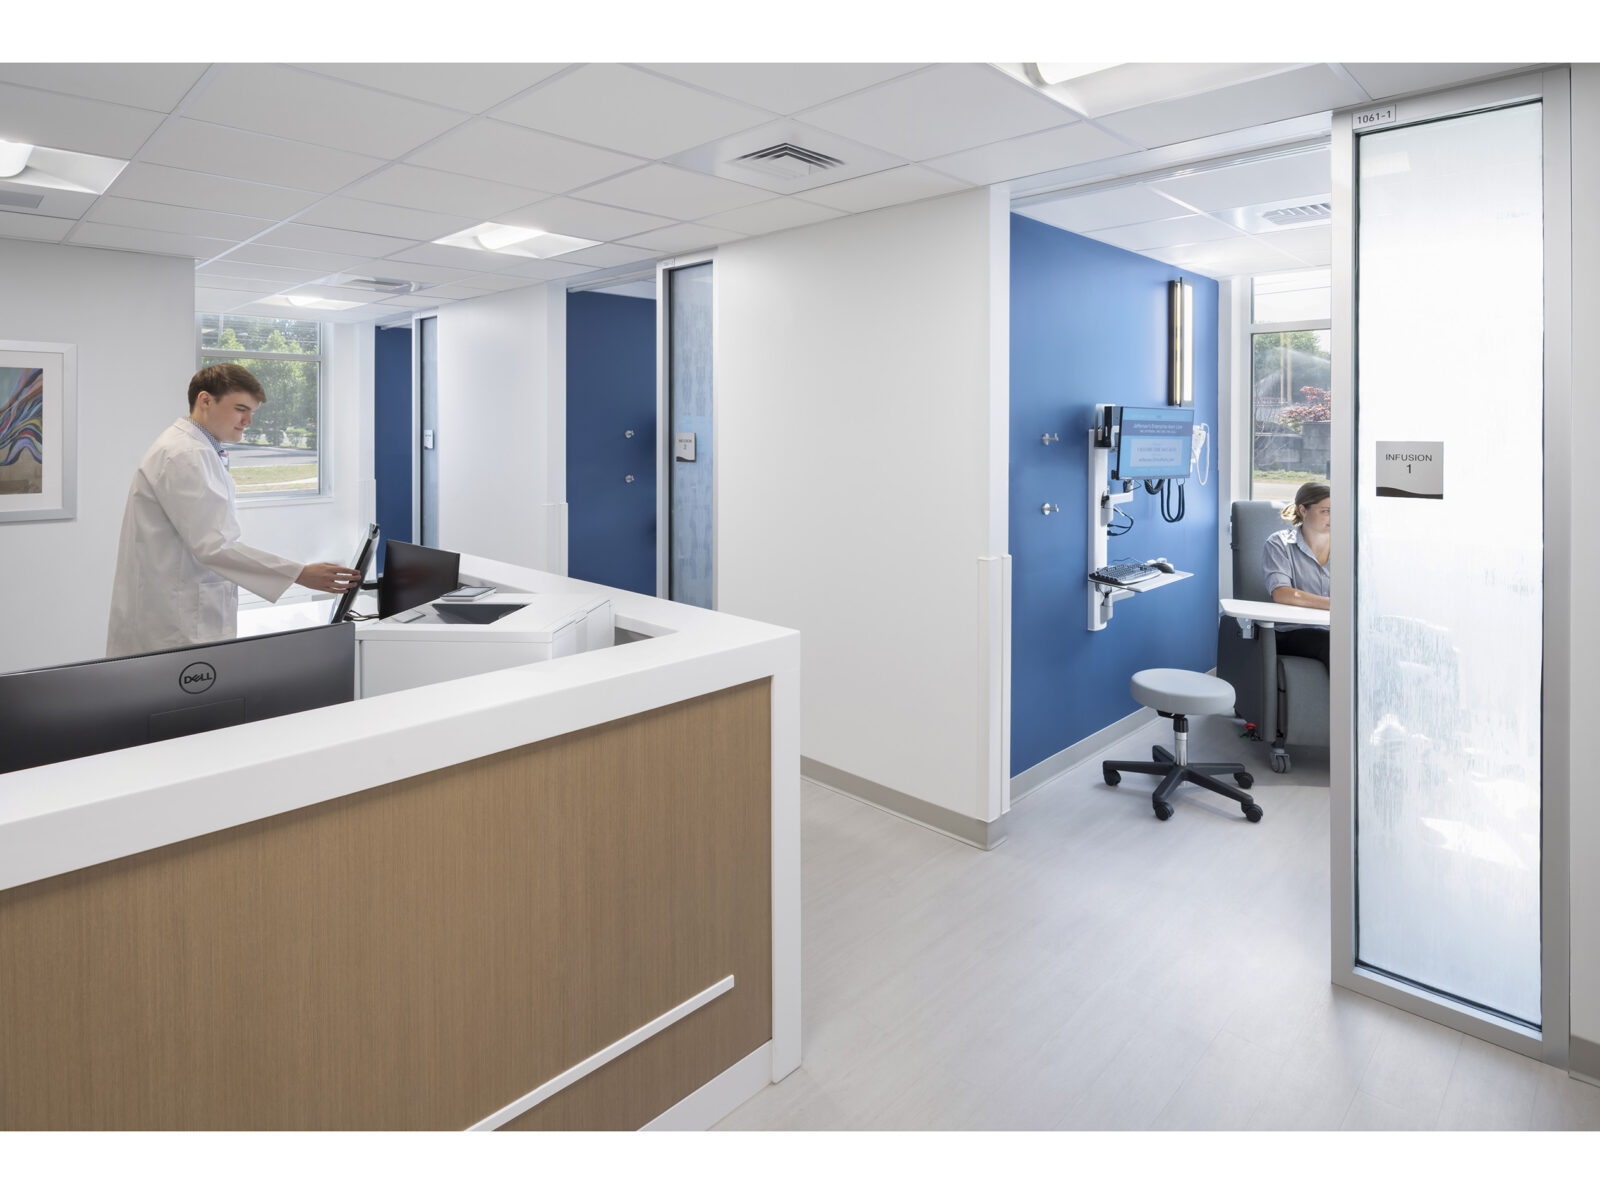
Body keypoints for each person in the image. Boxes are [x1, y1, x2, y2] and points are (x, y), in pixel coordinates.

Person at [106, 363, 359, 657]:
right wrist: (298, 573)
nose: (248, 421)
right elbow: (215, 546)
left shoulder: (196, 448)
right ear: (205, 400)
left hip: (179, 606)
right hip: (174, 620)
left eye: (252, 411)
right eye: (241, 408)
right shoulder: (187, 454)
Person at [1262, 481, 1330, 670]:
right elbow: (1281, 593)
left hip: (1336, 628)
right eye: (1326, 511)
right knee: (1333, 644)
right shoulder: (1279, 543)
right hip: (1293, 632)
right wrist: (1333, 605)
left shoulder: (1348, 545)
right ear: (1303, 510)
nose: (1333, 517)